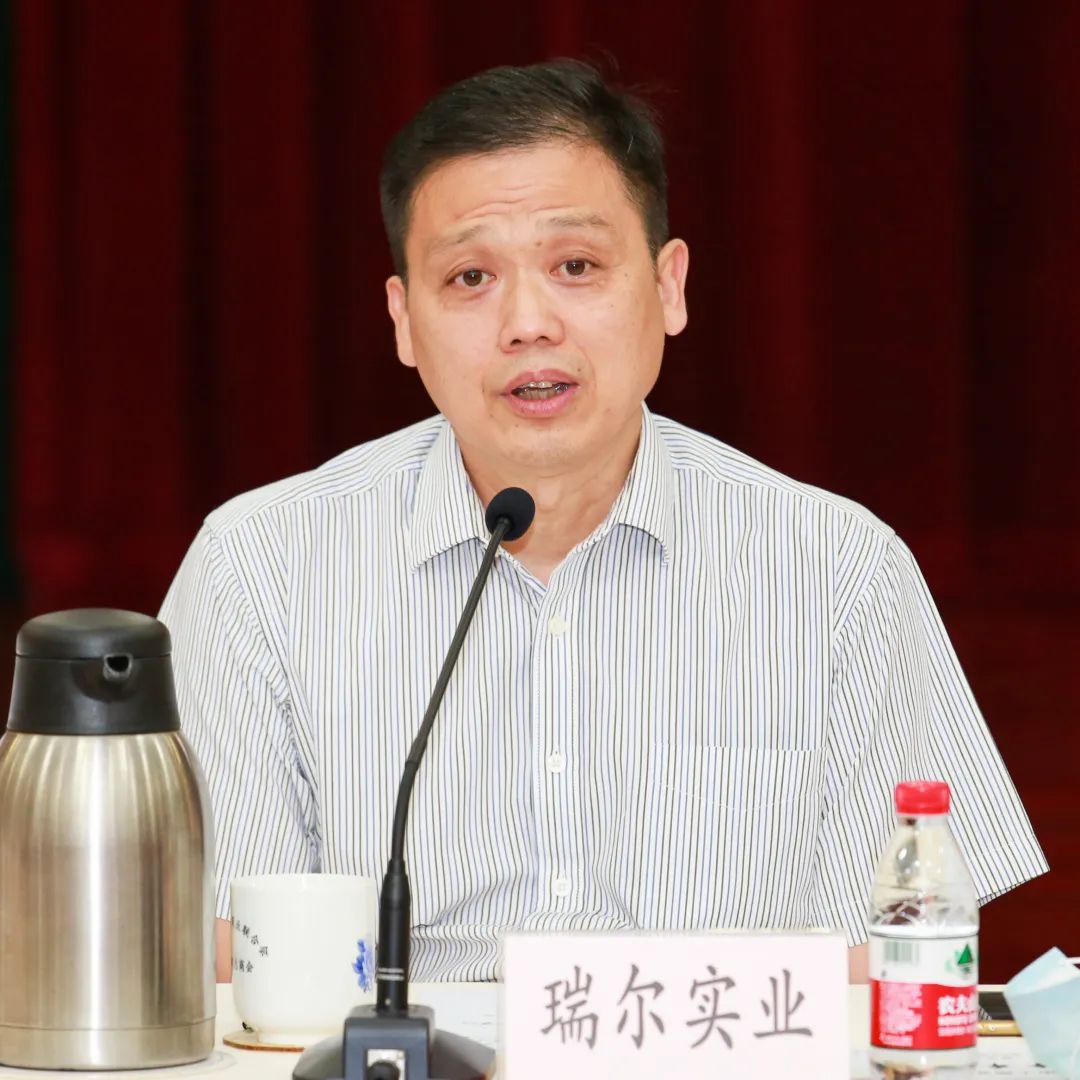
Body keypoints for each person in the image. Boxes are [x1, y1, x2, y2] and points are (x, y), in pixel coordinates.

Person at [159, 59, 1046, 986]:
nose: (528, 323)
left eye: (575, 267)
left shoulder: (835, 568)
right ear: (404, 320)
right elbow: (221, 947)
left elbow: (899, 951)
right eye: (470, 276)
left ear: (669, 286)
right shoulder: (260, 567)